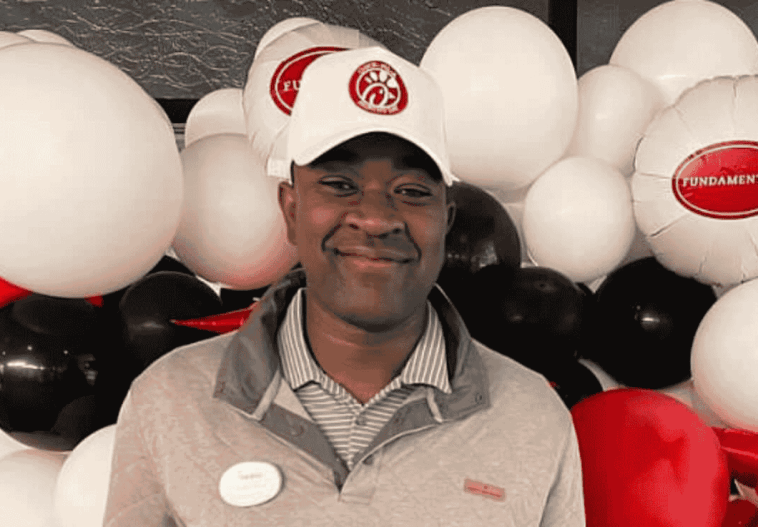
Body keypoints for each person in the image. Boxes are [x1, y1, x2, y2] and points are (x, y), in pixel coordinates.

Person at [103, 46, 585, 526]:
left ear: (446, 221)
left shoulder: (532, 419)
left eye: (412, 191)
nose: (375, 217)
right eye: (340, 184)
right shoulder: (170, 402)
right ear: (291, 209)